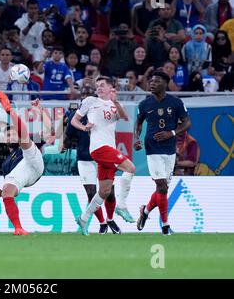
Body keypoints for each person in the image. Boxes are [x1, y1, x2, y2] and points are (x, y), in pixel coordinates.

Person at [71, 76, 136, 236]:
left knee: (104, 191)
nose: (99, 88)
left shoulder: (113, 104)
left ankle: (83, 219)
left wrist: (117, 102)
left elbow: (123, 116)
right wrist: (84, 127)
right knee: (130, 167)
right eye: (97, 86)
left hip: (108, 147)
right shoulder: (90, 101)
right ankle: (122, 206)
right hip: (99, 147)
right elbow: (74, 120)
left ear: (110, 88)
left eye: (102, 85)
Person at [135, 70, 191, 235]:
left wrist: (171, 133)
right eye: (151, 81)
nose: (152, 84)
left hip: (170, 149)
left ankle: (145, 211)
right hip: (152, 149)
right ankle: (165, 226)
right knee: (161, 185)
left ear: (165, 84)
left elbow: (187, 123)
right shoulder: (144, 104)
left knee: (163, 188)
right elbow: (138, 123)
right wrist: (136, 138)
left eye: (156, 81)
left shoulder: (176, 103)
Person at [0, 93, 48, 235]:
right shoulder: (6, 163)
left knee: (25, 141)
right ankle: (18, 228)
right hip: (25, 174)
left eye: (13, 133)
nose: (11, 136)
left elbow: (49, 131)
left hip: (34, 162)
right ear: (4, 139)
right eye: (8, 135)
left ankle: (9, 110)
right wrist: (1, 193)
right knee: (7, 193)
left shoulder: (25, 141)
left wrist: (41, 111)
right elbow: (11, 187)